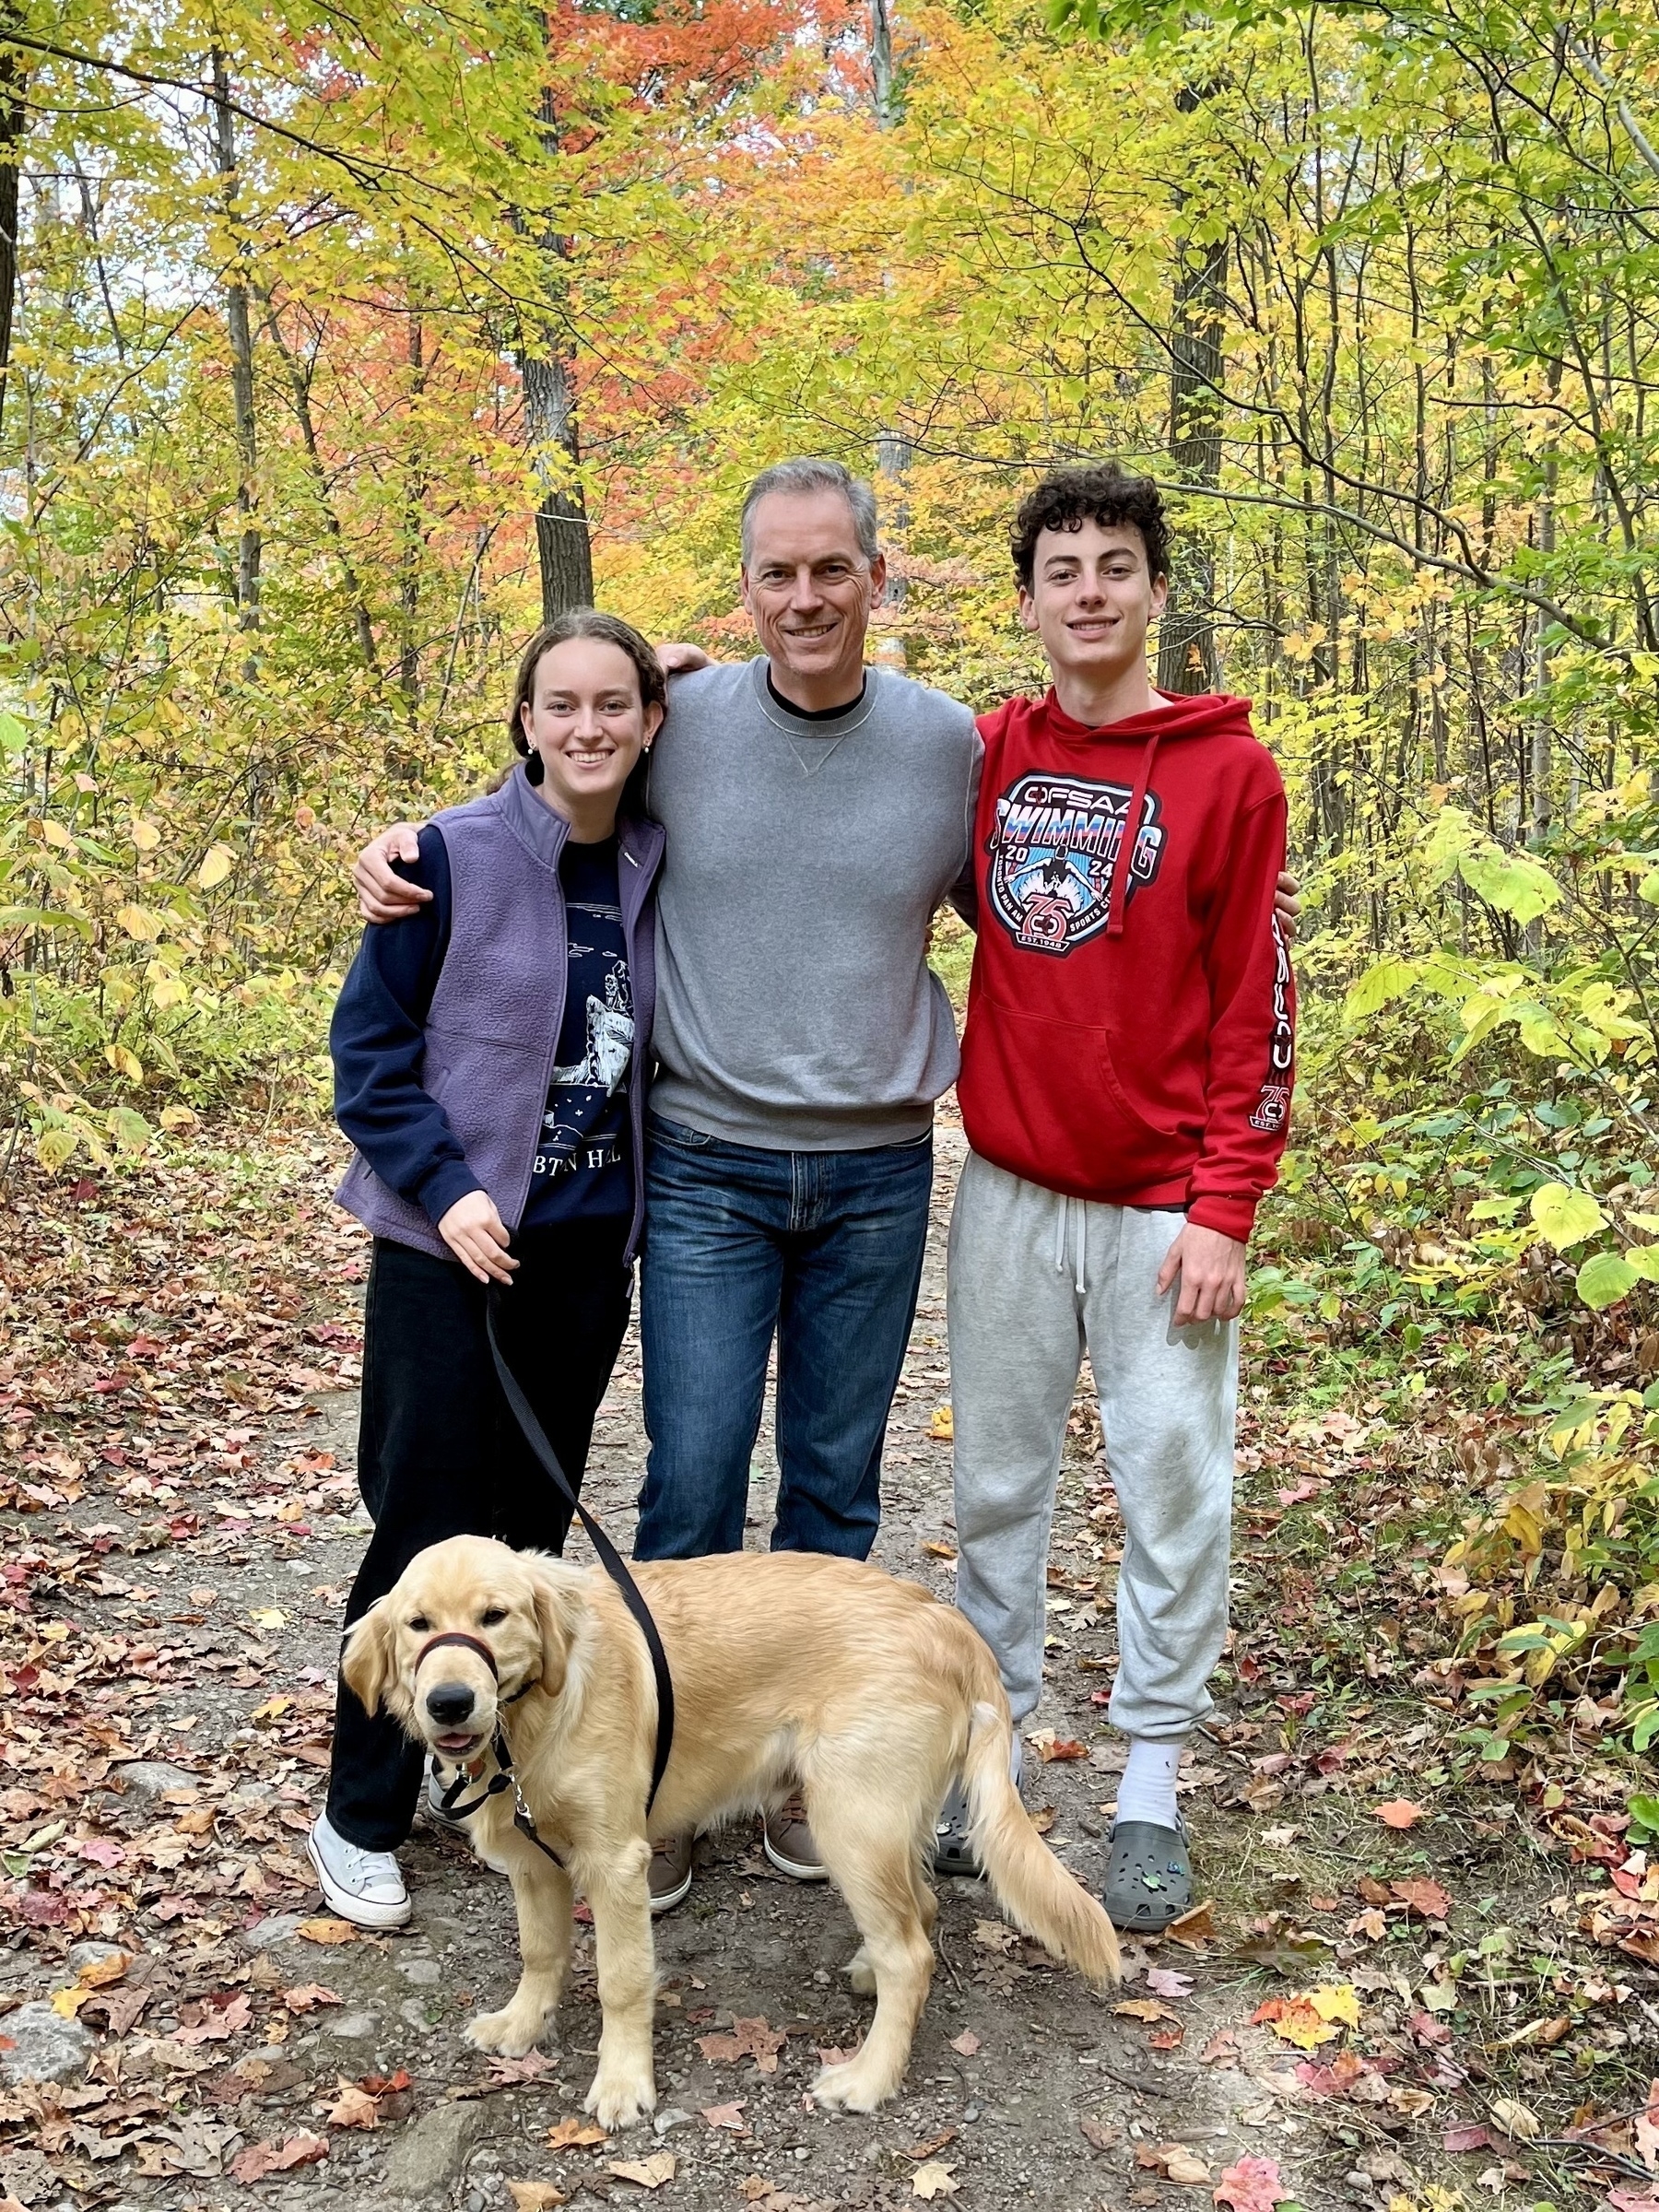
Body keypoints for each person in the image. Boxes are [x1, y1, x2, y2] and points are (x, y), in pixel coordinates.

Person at [352, 457, 1301, 1912]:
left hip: (879, 1171)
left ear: (880, 578)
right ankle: (654, 1772)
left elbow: (1106, 921)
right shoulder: (689, 721)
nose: (805, 597)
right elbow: (566, 763)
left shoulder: (955, 748)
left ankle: (824, 1767)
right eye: (776, 574)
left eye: (831, 570)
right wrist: (418, 849)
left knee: (837, 1486)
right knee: (691, 1471)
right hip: (708, 1170)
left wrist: (1221, 1176)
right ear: (744, 591)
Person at [935, 464, 1295, 1933]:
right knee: (997, 1491)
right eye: (1063, 568)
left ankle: (1149, 1783)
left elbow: (1253, 998)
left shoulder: (1229, 773)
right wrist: (676, 679)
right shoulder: (981, 756)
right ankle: (986, 1772)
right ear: (1027, 601)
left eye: (1117, 565)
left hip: (1165, 1207)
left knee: (1170, 1489)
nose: (1090, 590)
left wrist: (1228, 1204)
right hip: (1012, 1186)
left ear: (1156, 592)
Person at [311, 611, 666, 1928]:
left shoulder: (646, 851)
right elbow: (371, 1057)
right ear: (524, 720)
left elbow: (723, 683)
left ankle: (496, 1789)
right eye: (560, 704)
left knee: (522, 1544)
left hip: (580, 1254)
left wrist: (671, 665)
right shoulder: (442, 860)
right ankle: (358, 1811)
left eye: (614, 706)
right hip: (445, 1247)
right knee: (419, 1530)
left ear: (647, 722)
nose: (588, 728)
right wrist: (450, 1190)